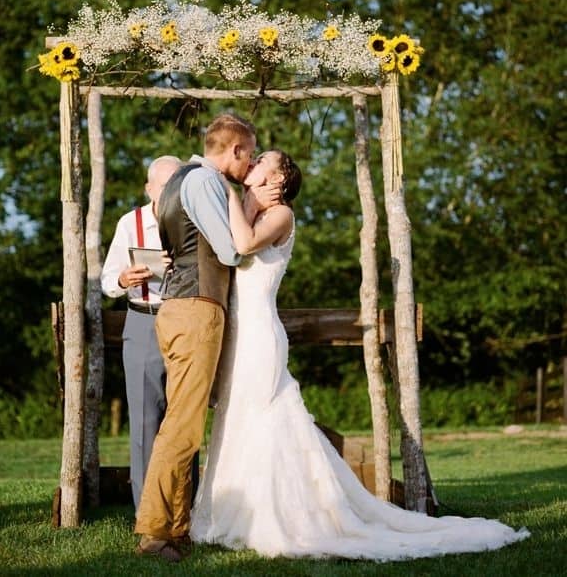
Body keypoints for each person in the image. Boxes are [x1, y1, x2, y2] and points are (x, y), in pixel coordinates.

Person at [190, 149, 530, 561]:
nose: (254, 161)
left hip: (261, 335)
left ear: (278, 177)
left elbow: (242, 244)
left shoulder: (281, 215)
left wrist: (225, 190)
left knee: (267, 417)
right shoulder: (251, 206)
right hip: (237, 335)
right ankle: (236, 513)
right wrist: (241, 198)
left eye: (264, 159)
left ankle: (283, 518)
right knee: (236, 417)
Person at [135, 114, 279, 562]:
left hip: (184, 307)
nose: (251, 162)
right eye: (250, 154)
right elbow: (231, 249)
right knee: (181, 423)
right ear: (234, 150)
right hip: (196, 309)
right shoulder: (206, 181)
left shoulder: (181, 179)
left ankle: (176, 528)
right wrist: (247, 207)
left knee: (187, 420)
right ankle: (154, 531)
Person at [101, 155, 182, 512]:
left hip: (184, 321)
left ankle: (182, 509)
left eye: (175, 184)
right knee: (146, 422)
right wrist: (123, 279)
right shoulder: (129, 222)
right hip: (142, 321)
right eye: (163, 185)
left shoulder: (194, 219)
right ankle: (146, 513)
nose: (169, 192)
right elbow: (107, 281)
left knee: (183, 420)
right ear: (149, 188)